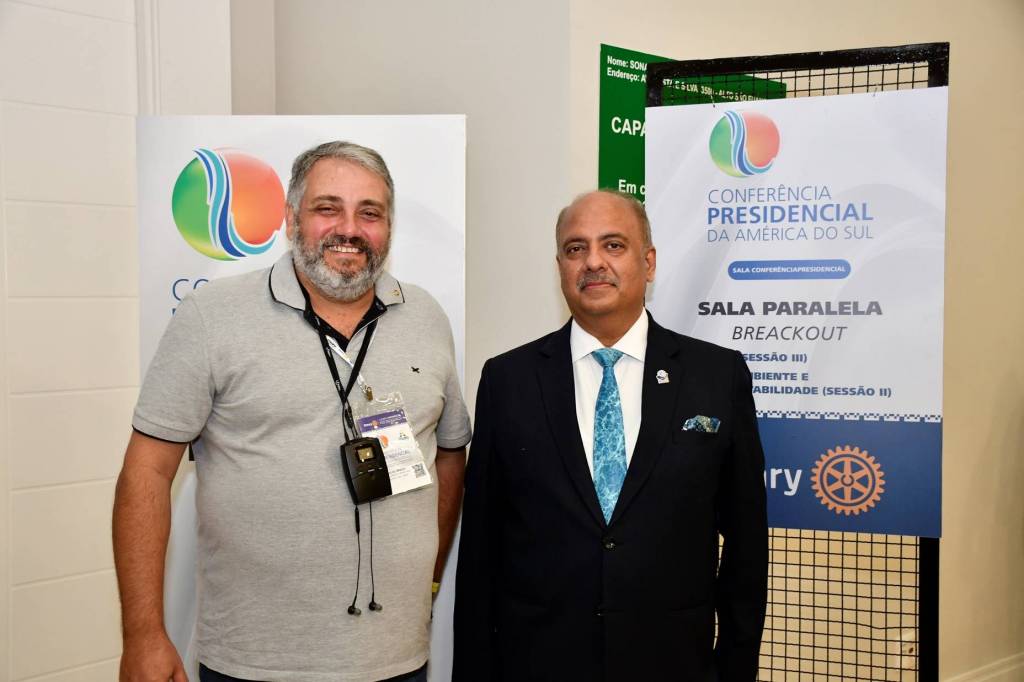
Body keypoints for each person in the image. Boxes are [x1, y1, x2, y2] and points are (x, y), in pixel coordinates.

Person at [113, 141, 471, 682]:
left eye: (369, 213)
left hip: (397, 660)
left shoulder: (426, 316)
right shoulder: (213, 316)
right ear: (290, 218)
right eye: (328, 208)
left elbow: (449, 452)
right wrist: (143, 635)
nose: (348, 229)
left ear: (389, 226)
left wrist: (429, 574)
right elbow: (146, 471)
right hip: (254, 663)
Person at [453, 190, 767, 681]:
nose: (593, 262)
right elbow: (480, 551)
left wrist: (734, 669)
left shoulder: (716, 376)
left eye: (613, 245)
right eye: (576, 248)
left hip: (672, 663)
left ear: (649, 262)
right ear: (560, 266)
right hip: (538, 663)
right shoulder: (507, 380)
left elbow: (747, 546)